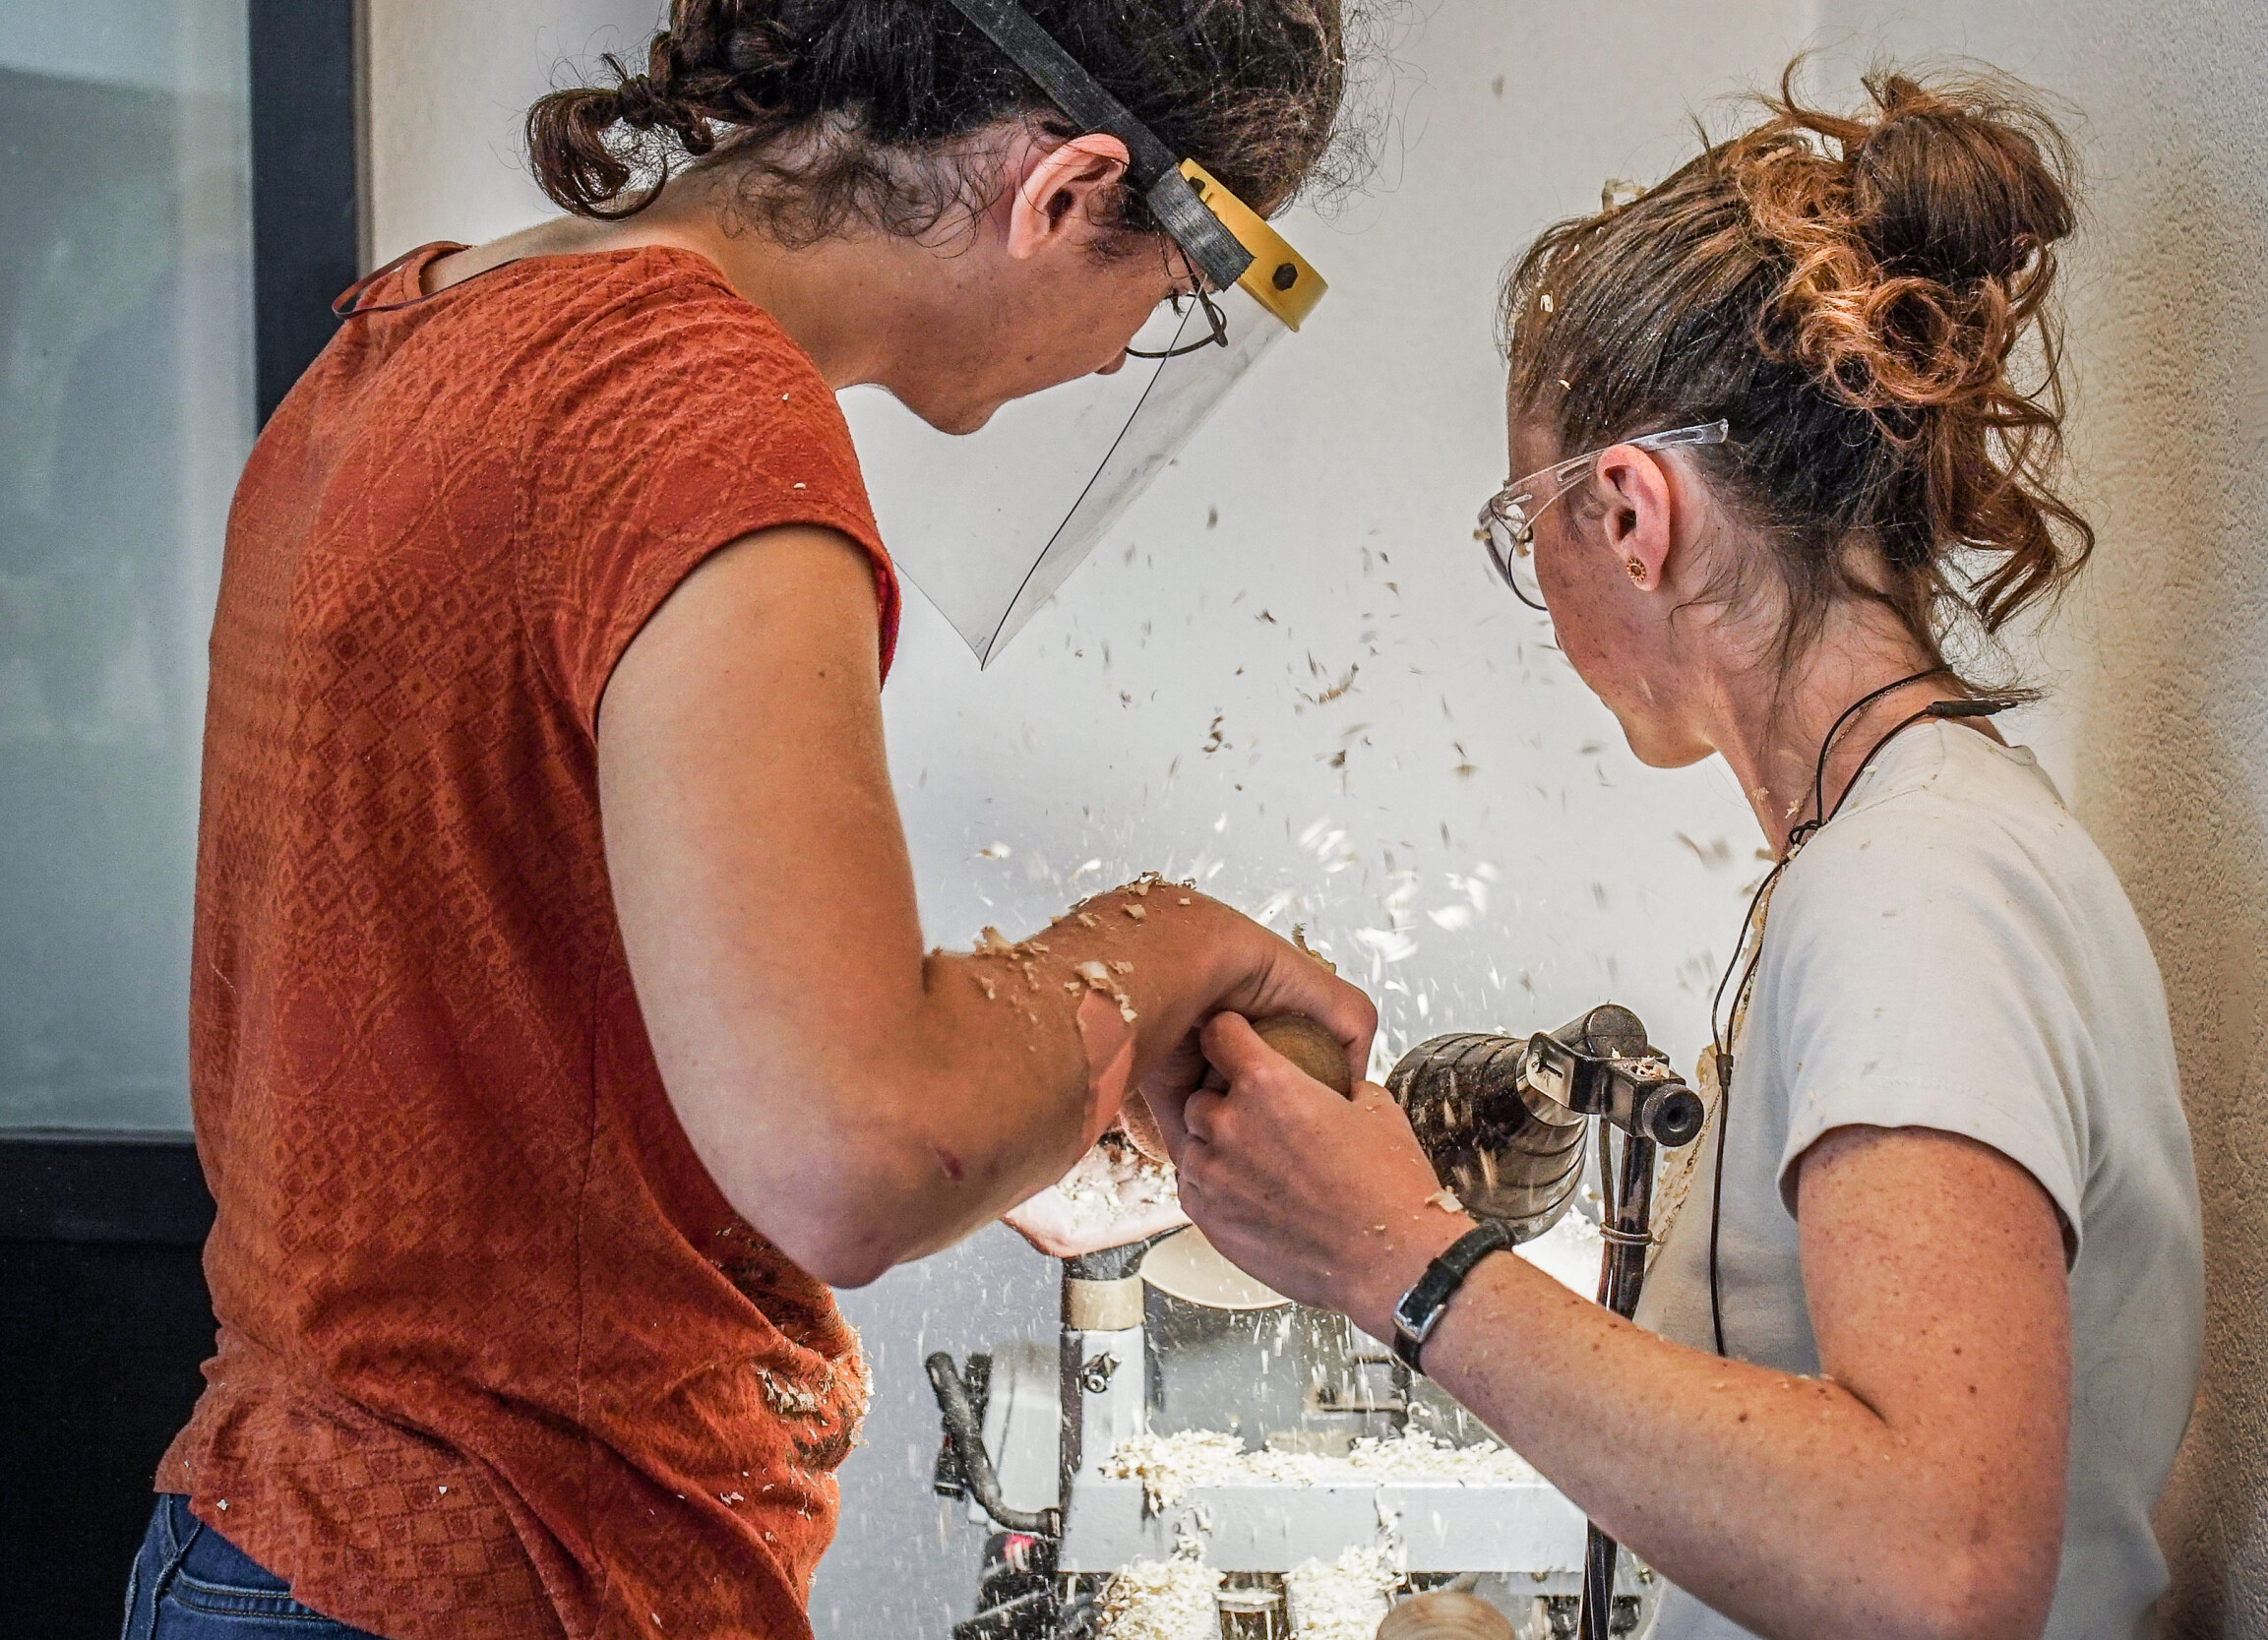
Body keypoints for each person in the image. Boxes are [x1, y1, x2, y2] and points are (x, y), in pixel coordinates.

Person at [126, 5, 1374, 1638]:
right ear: (1064, 193)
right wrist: (1174, 944)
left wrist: (1004, 1102)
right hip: (504, 1564)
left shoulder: (413, 334)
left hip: (279, 1526)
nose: (1113, 357)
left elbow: (491, 976)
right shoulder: (694, 418)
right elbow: (854, 1158)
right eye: (1162, 300)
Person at [1146, 68, 2203, 1640]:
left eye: (1531, 529)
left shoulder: (1919, 893)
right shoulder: (1901, 852)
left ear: (1633, 513)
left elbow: (1942, 1563)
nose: (1548, 591)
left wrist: (1401, 1266)